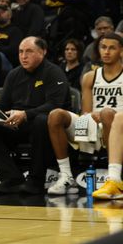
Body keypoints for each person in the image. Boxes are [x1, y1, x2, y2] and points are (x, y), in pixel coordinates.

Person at [0, 37, 70, 194]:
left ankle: (36, 181)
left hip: (47, 128)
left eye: (29, 51)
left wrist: (26, 114)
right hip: (17, 124)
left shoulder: (54, 72)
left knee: (41, 121)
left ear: (43, 52)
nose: (23, 56)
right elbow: (3, 105)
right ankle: (12, 179)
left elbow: (55, 105)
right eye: (21, 51)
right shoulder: (14, 74)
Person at [46, 33, 123, 196]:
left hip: (118, 126)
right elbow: (86, 111)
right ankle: (66, 175)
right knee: (56, 115)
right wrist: (92, 116)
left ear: (121, 52)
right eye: (103, 47)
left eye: (112, 48)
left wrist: (103, 114)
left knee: (109, 113)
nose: (106, 52)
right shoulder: (90, 77)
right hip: (94, 123)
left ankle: (114, 178)